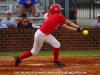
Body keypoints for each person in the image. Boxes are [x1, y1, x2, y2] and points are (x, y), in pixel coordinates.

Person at [14, 4, 83, 66]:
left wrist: (77, 30)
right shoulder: (58, 16)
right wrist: (78, 27)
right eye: (60, 10)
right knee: (34, 52)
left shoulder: (56, 17)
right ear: (56, 11)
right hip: (41, 34)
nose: (61, 11)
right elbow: (70, 23)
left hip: (45, 34)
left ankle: (56, 62)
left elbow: (66, 27)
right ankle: (19, 58)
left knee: (57, 44)